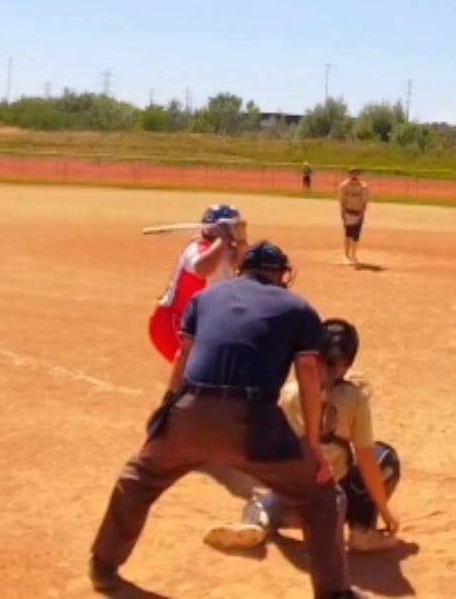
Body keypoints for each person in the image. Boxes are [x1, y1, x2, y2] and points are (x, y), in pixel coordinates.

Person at [88, 242, 357, 599]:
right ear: (280, 274)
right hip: (252, 421)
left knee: (139, 477)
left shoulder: (204, 298)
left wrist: (166, 414)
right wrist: (312, 446)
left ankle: (103, 566)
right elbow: (308, 373)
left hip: (190, 412)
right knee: (321, 496)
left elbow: (182, 357)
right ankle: (334, 594)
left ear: (242, 270)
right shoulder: (298, 308)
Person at [204, 317, 403, 555]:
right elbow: (366, 461)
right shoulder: (355, 398)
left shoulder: (290, 392)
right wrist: (385, 511)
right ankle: (362, 531)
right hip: (334, 502)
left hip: (295, 499)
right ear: (348, 362)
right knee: (384, 456)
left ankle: (258, 522)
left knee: (263, 502)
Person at [147, 205, 248, 363]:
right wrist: (223, 239)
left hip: (203, 323)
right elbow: (202, 269)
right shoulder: (196, 248)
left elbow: (247, 267)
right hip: (174, 322)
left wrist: (241, 242)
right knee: (196, 369)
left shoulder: (230, 251)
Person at [337, 168, 370, 267]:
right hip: (348, 211)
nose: (354, 176)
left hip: (358, 212)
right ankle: (346, 256)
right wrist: (342, 213)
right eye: (352, 174)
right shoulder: (344, 186)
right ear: (349, 175)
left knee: (356, 234)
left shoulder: (363, 186)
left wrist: (361, 214)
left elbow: (364, 202)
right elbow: (342, 201)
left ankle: (353, 254)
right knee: (348, 233)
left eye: (356, 174)